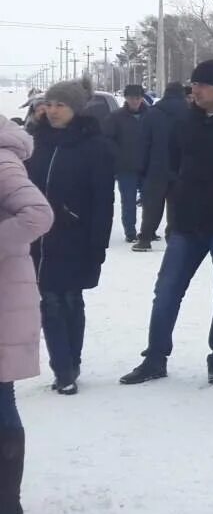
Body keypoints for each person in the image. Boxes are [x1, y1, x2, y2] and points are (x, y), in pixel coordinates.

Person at [120, 62, 213, 386]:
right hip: (186, 223)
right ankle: (155, 357)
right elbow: (174, 163)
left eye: (203, 85)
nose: (196, 90)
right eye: (194, 84)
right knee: (166, 290)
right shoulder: (185, 122)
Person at [25, 81, 115, 395]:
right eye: (49, 104)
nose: (52, 110)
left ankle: (72, 362)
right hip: (40, 239)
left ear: (75, 108)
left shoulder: (94, 145)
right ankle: (62, 370)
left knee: (71, 301)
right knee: (50, 301)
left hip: (76, 237)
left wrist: (98, 244)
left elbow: (104, 199)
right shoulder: (38, 141)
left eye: (60, 105)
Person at [0, 118, 53, 514]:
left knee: (1, 398)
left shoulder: (3, 160)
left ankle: (6, 504)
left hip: (4, 296)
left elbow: (38, 214)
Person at [133, 82, 188, 252]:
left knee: (152, 206)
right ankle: (174, 237)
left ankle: (145, 239)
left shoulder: (151, 114)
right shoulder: (190, 113)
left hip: (156, 167)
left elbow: (143, 143)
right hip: (182, 168)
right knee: (177, 206)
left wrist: (141, 168)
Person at [103, 84, 149, 244]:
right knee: (128, 201)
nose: (135, 101)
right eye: (131, 98)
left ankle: (148, 230)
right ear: (126, 98)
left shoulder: (151, 115)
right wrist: (118, 155)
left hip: (147, 166)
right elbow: (107, 139)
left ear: (142, 98)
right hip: (126, 167)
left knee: (150, 200)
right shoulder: (116, 117)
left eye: (137, 98)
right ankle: (130, 231)